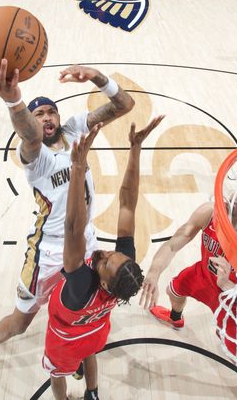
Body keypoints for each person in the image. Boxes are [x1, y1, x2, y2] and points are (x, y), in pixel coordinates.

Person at [0, 55, 135, 392]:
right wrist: (14, 100)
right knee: (20, 322)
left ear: (59, 117)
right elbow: (30, 136)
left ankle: (73, 356)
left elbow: (124, 104)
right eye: (39, 114)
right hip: (47, 253)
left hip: (85, 244)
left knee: (82, 310)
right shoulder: (33, 155)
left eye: (50, 112)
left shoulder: (75, 128)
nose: (46, 118)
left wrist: (98, 77)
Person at [44, 116, 162, 400]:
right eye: (113, 254)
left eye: (105, 261)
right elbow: (128, 203)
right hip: (97, 329)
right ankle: (93, 394)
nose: (105, 253)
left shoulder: (80, 287)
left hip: (66, 337)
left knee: (55, 374)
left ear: (106, 285)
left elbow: (74, 227)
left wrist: (77, 167)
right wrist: (135, 149)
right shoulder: (124, 269)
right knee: (91, 353)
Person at [140, 187, 237, 400]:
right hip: (204, 274)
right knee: (174, 289)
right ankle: (176, 318)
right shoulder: (210, 212)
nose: (235, 199)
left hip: (233, 296)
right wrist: (153, 272)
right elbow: (173, 244)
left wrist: (227, 284)